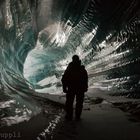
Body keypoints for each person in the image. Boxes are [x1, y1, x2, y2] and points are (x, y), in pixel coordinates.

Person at [61, 55, 88, 121]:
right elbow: (85, 79)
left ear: (73, 60)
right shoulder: (82, 68)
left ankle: (70, 116)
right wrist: (85, 87)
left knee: (70, 103)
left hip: (72, 88)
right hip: (79, 88)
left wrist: (64, 87)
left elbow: (64, 78)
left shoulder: (70, 68)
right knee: (78, 103)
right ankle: (77, 116)